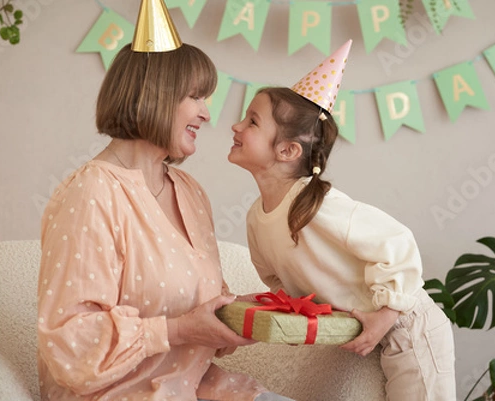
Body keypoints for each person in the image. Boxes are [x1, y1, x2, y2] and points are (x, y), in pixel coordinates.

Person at [37, 1, 294, 400]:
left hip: (198, 388)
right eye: (195, 97)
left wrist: (248, 315)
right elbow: (69, 344)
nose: (207, 114)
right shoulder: (91, 193)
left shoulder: (190, 192)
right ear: (154, 95)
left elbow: (203, 321)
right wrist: (178, 329)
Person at [228, 40, 456, 400]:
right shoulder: (257, 218)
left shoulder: (317, 205)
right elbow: (281, 288)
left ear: (287, 150)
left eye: (252, 121)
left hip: (410, 325)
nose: (235, 126)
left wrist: (386, 314)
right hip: (368, 328)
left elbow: (398, 244)